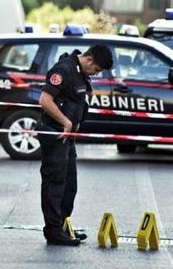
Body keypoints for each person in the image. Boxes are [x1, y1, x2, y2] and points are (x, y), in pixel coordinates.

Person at [37, 45, 113, 246]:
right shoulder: (64, 70)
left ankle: (63, 226)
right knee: (55, 183)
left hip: (67, 137)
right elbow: (45, 100)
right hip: (55, 134)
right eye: (95, 70)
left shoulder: (80, 72)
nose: (95, 74)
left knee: (70, 185)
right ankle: (53, 231)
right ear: (88, 60)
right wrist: (66, 121)